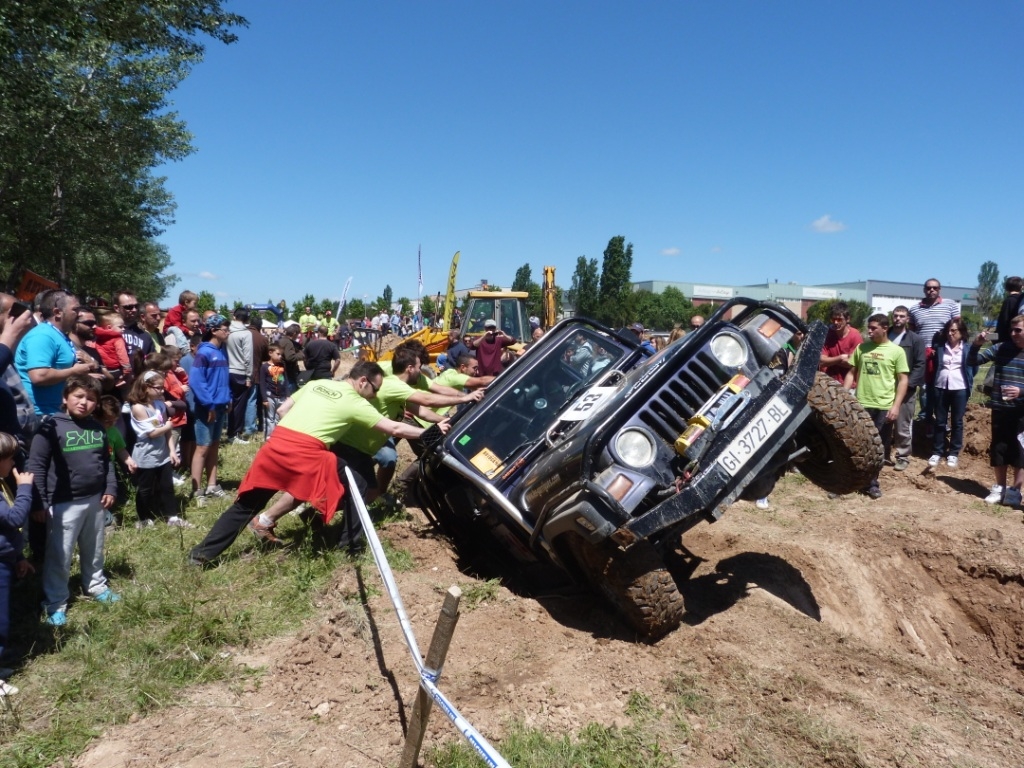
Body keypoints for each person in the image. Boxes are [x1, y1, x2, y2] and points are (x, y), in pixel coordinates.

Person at [188, 363, 445, 562]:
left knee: (245, 506)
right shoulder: (355, 400)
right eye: (375, 390)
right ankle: (350, 548)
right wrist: (431, 432)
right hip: (306, 452)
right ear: (363, 381)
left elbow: (281, 411)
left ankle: (201, 555)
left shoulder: (318, 384)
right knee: (359, 484)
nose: (374, 395)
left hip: (275, 446)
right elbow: (394, 427)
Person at [27, 376, 119, 626]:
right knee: (60, 554)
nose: (84, 403)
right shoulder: (50, 427)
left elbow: (106, 461)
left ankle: (96, 585)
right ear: (65, 398)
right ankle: (55, 601)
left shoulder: (97, 428)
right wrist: (39, 502)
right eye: (78, 396)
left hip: (94, 500)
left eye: (90, 399)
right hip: (62, 503)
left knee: (94, 548)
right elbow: (36, 465)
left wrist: (110, 487)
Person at [843, 314, 909, 500]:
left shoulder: (896, 351)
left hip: (883, 407)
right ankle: (848, 482)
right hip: (861, 404)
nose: (869, 331)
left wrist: (896, 406)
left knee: (878, 448)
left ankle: (871, 483)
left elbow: (903, 380)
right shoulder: (861, 348)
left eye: (873, 328)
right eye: (868, 328)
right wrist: (843, 395)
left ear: (884, 328)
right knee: (855, 444)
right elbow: (851, 373)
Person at [968, 316, 1024, 506]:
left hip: (1021, 410)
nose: (1014, 333)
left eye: (1018, 330)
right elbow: (972, 361)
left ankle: (1015, 491)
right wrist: (976, 345)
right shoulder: (1002, 348)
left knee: (1020, 451)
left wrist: (1021, 391)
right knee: (999, 447)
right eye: (1012, 329)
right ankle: (1000, 488)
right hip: (1001, 407)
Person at [15, 290, 98, 416]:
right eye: (75, 309)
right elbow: (39, 376)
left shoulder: (58, 335)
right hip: (38, 414)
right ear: (57, 312)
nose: (79, 314)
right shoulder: (42, 335)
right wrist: (74, 371)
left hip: (55, 412)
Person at [128, 370, 189, 528]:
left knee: (167, 486)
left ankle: (173, 517)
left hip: (162, 454)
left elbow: (167, 431)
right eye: (158, 388)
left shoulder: (159, 404)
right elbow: (152, 433)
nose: (162, 391)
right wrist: (168, 425)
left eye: (162, 387)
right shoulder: (138, 408)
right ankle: (144, 519)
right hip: (146, 455)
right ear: (146, 387)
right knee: (145, 489)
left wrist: (172, 451)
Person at [0, 432, 33, 696]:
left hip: (5, 559)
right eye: (9, 459)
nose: (13, 465)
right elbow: (14, 518)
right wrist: (24, 488)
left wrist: (18, 557)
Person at [190, 314, 231, 504]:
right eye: (225, 328)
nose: (228, 332)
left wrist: (228, 397)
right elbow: (197, 382)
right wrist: (209, 405)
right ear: (214, 330)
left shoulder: (222, 351)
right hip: (207, 408)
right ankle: (197, 490)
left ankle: (212, 485)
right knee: (202, 448)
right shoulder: (204, 353)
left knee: (214, 445)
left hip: (220, 406)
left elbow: (223, 379)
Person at [909, 279, 959, 425]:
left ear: (940, 289)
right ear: (924, 290)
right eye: (929, 288)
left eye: (935, 288)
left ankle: (943, 418)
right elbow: (912, 333)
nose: (932, 290)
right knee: (924, 387)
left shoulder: (950, 305)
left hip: (945, 351)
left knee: (943, 385)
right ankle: (926, 417)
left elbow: (958, 328)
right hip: (922, 352)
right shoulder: (914, 309)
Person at [929, 317, 973, 470]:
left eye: (954, 330)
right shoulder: (940, 347)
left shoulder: (967, 348)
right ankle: (937, 451)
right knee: (940, 420)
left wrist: (969, 383)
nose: (950, 333)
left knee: (957, 421)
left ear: (961, 332)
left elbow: (973, 368)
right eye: (948, 330)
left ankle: (953, 453)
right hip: (941, 386)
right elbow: (935, 366)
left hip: (960, 387)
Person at [887, 305, 926, 471]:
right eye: (895, 315)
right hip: (884, 387)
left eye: (902, 316)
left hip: (905, 390)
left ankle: (902, 456)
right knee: (882, 424)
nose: (898, 319)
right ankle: (882, 454)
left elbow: (920, 364)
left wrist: (908, 385)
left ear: (907, 319)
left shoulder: (915, 340)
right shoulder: (885, 336)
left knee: (902, 425)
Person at [225, 308, 254, 444]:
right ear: (247, 319)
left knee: (227, 403)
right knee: (238, 405)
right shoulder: (245, 333)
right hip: (240, 372)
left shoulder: (226, 330)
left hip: (226, 369)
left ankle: (227, 430)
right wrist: (249, 376)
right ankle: (234, 434)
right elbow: (248, 357)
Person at [819, 302, 862, 384]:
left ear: (847, 319)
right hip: (830, 382)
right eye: (833, 319)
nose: (835, 322)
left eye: (839, 319)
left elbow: (852, 364)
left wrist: (830, 361)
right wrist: (841, 358)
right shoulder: (828, 334)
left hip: (850, 385)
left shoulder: (855, 335)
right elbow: (821, 362)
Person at [114, 291, 154, 363]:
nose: (134, 310)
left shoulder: (145, 336)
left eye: (136, 306)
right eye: (128, 307)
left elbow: (152, 364)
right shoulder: (107, 332)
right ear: (117, 308)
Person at [260, 344, 288, 438]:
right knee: (269, 417)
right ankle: (269, 437)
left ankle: (278, 436)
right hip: (270, 395)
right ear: (270, 353)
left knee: (279, 416)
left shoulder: (282, 365)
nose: (280, 356)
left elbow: (285, 380)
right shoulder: (264, 367)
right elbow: (262, 383)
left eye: (281, 354)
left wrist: (287, 394)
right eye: (278, 354)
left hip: (281, 395)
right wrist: (264, 398)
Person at [995, 277, 1023, 342]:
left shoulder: (1009, 301)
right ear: (1021, 287)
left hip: (1008, 339)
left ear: (1006, 288)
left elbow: (1004, 322)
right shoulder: (1021, 301)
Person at [278, 323, 304, 393]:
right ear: (294, 333)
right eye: (298, 334)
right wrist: (301, 354)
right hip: (288, 373)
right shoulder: (288, 343)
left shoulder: (282, 340)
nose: (298, 336)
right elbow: (290, 357)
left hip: (281, 371)